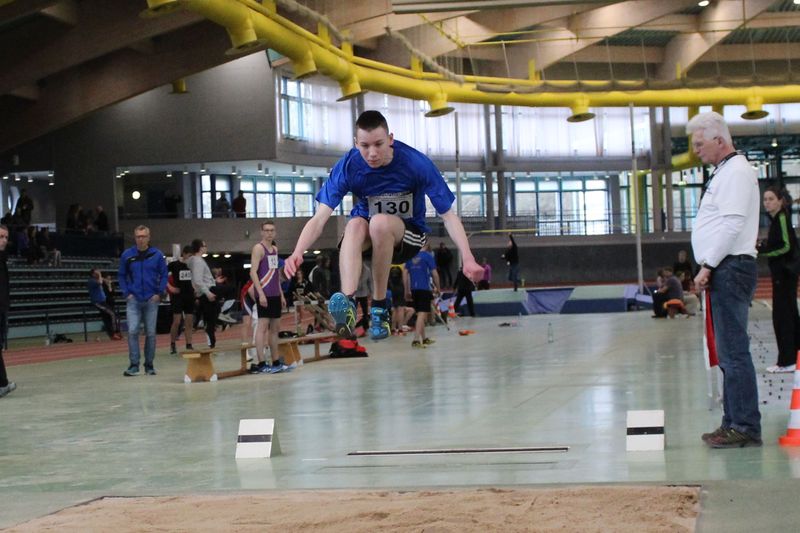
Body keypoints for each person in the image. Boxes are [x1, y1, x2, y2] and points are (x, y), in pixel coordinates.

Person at [283, 110, 483, 342]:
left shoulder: (416, 164)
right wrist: (298, 251)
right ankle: (348, 304)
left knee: (379, 222)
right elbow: (320, 218)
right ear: (356, 143)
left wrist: (467, 257)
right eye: (365, 146)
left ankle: (379, 307)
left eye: (378, 144)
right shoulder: (349, 165)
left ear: (390, 139)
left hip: (408, 237)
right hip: (369, 238)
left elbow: (448, 216)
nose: (372, 153)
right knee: (354, 224)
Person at [689, 111, 761, 448]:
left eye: (699, 144)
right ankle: (732, 421)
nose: (695, 151)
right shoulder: (725, 172)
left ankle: (744, 425)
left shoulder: (735, 173)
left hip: (730, 268)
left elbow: (732, 225)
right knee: (728, 352)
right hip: (725, 268)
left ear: (719, 140)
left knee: (733, 352)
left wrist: (707, 265)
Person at [757, 185, 800, 373]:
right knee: (788, 315)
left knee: (783, 317)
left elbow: (786, 246)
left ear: (780, 201)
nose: (767, 203)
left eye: (771, 199)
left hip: (785, 275)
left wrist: (763, 252)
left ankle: (787, 361)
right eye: (765, 199)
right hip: (782, 275)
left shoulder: (782, 218)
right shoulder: (776, 220)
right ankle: (793, 358)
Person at [118, 225, 167, 376]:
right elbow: (121, 275)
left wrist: (159, 293)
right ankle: (134, 365)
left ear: (148, 237)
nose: (141, 239)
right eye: (138, 237)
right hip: (133, 299)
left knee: (151, 333)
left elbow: (164, 274)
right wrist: (127, 293)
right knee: (132, 331)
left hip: (151, 299)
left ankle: (149, 365)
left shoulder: (157, 255)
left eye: (143, 236)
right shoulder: (127, 255)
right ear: (135, 238)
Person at [249, 221, 289, 374]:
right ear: (261, 232)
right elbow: (253, 272)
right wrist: (261, 294)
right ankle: (261, 363)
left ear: (275, 232)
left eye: (272, 230)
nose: (269, 233)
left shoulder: (275, 250)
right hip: (264, 294)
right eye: (266, 230)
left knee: (275, 329)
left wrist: (281, 294)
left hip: (275, 294)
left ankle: (276, 361)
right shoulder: (258, 248)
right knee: (262, 328)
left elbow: (275, 273)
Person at [187, 239, 221, 348]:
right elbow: (197, 280)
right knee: (230, 290)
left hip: (204, 291)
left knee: (209, 318)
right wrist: (208, 293)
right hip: (207, 291)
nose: (206, 247)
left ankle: (211, 342)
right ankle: (222, 316)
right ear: (200, 248)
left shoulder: (195, 260)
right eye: (205, 245)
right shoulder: (198, 261)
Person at [404, 245, 440, 348]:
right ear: (426, 245)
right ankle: (416, 340)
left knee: (420, 314)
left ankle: (424, 339)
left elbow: (405, 273)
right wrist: (438, 288)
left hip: (414, 289)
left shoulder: (410, 256)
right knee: (422, 314)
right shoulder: (427, 256)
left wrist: (406, 290)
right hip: (424, 288)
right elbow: (435, 274)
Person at [167, 245, 194, 355]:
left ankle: (189, 344)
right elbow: (161, 275)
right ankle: (173, 344)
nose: (191, 259)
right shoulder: (174, 265)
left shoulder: (193, 265)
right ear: (184, 254)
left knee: (189, 321)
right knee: (177, 321)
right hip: (177, 296)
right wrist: (170, 287)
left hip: (189, 296)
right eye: (189, 256)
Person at [0, 225, 16, 398]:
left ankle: (3, 383)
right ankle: (2, 383)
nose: (4, 240)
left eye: (6, 237)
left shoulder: (3, 258)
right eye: (1, 237)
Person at [88, 268, 122, 340]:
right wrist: (100, 274)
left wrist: (108, 281)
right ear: (93, 274)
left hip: (103, 302)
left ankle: (115, 333)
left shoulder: (97, 279)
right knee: (111, 314)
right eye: (96, 273)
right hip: (98, 302)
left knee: (110, 316)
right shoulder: (91, 281)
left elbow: (106, 281)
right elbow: (100, 282)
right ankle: (115, 332)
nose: (98, 274)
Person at [354, 263, 372, 331]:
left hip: (364, 293)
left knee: (365, 311)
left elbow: (369, 281)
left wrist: (371, 291)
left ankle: (365, 326)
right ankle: (351, 326)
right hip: (354, 293)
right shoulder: (353, 269)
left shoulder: (367, 270)